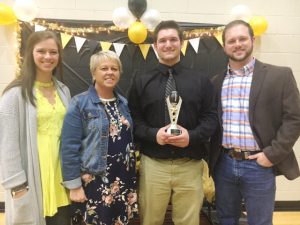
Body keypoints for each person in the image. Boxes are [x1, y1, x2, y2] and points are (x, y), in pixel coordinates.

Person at [209, 20, 300, 225]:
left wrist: (272, 154)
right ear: (224, 46)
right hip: (224, 164)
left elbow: (294, 119)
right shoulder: (216, 82)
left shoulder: (279, 75)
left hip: (259, 165)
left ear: (253, 40)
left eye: (242, 39)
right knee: (226, 219)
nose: (237, 44)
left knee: (260, 222)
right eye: (231, 41)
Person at [128, 20, 217, 225]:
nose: (168, 44)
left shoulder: (201, 80)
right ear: (155, 46)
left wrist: (191, 137)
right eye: (162, 40)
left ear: (181, 43)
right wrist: (153, 135)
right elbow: (134, 119)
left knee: (188, 221)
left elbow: (211, 118)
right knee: (150, 220)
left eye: (173, 39)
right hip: (153, 165)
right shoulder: (141, 80)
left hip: (190, 164)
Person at [0, 31, 71, 225]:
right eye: (41, 51)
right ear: (30, 53)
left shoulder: (64, 91)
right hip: (32, 178)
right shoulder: (14, 95)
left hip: (60, 177)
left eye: (53, 52)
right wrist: (17, 185)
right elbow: (7, 145)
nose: (48, 57)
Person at [60, 50, 138, 225]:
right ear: (93, 72)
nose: (110, 72)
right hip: (95, 181)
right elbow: (68, 147)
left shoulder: (123, 103)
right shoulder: (80, 103)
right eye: (104, 68)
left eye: (114, 68)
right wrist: (74, 185)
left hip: (123, 178)